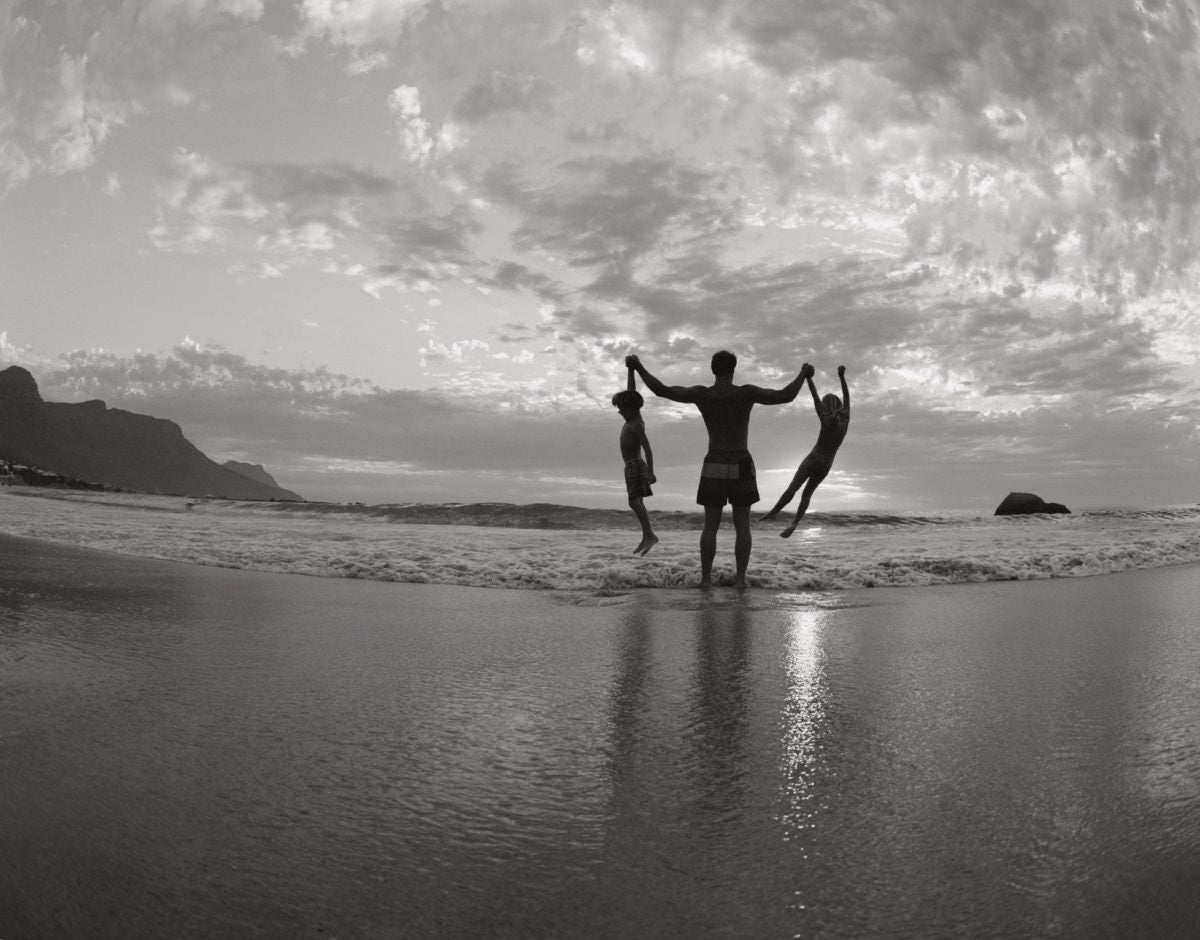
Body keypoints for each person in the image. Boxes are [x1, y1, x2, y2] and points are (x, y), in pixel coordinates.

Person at [625, 351, 813, 588]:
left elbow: (662, 390)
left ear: (712, 370)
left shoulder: (703, 395)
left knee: (710, 525)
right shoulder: (745, 393)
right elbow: (785, 396)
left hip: (714, 463)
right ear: (733, 370)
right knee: (742, 524)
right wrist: (803, 375)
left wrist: (638, 366)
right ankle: (741, 580)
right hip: (741, 462)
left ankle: (705, 580)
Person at [761, 365, 850, 537]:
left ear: (824, 406)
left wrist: (808, 377)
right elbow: (846, 395)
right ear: (839, 405)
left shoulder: (824, 418)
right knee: (807, 494)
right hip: (826, 463)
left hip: (814, 458)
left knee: (793, 487)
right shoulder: (845, 418)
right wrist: (841, 376)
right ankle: (794, 523)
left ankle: (774, 512)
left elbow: (814, 396)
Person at [612, 366, 658, 556]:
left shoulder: (637, 423)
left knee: (634, 501)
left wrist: (651, 471)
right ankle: (647, 535)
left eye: (622, 409)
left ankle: (649, 535)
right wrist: (631, 370)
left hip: (636, 466)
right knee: (634, 502)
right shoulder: (630, 420)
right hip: (630, 467)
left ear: (633, 408)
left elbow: (647, 446)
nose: (620, 412)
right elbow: (631, 391)